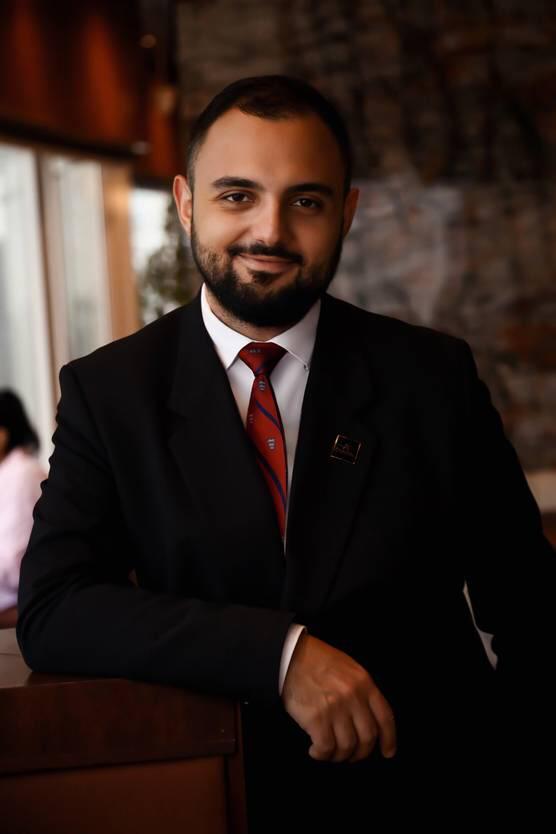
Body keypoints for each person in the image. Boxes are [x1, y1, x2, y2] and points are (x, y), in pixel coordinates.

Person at [16, 75, 555, 830]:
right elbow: (54, 607)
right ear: (185, 203)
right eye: (237, 195)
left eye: (305, 201)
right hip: (220, 798)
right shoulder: (109, 392)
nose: (269, 231)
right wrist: (282, 654)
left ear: (347, 213)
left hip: (437, 794)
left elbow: (533, 611)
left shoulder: (432, 378)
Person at [0, 390, 46, 627]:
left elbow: (15, 561)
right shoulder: (9, 473)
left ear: (2, 435)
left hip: (18, 603)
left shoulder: (22, 474)